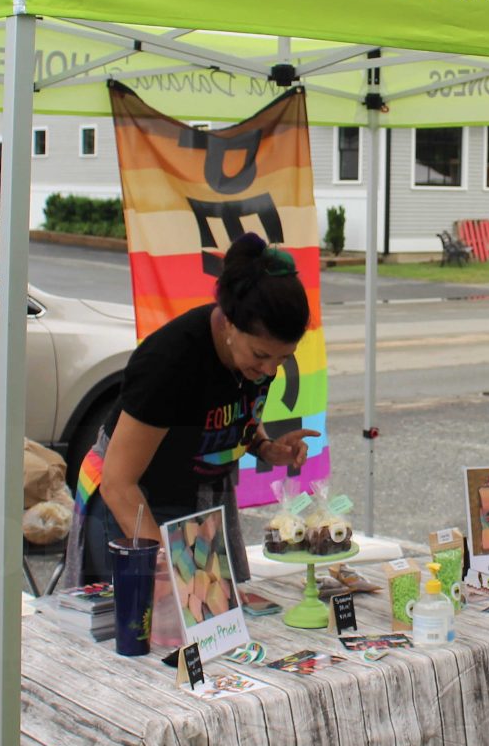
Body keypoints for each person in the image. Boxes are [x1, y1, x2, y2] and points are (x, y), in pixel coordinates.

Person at [69, 233, 316, 582]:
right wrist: (169, 573)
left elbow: (238, 408)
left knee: (212, 621)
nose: (270, 370)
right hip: (134, 501)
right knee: (148, 623)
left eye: (283, 358)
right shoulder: (170, 362)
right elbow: (118, 482)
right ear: (229, 322)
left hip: (199, 501)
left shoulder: (256, 356)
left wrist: (263, 446)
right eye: (261, 356)